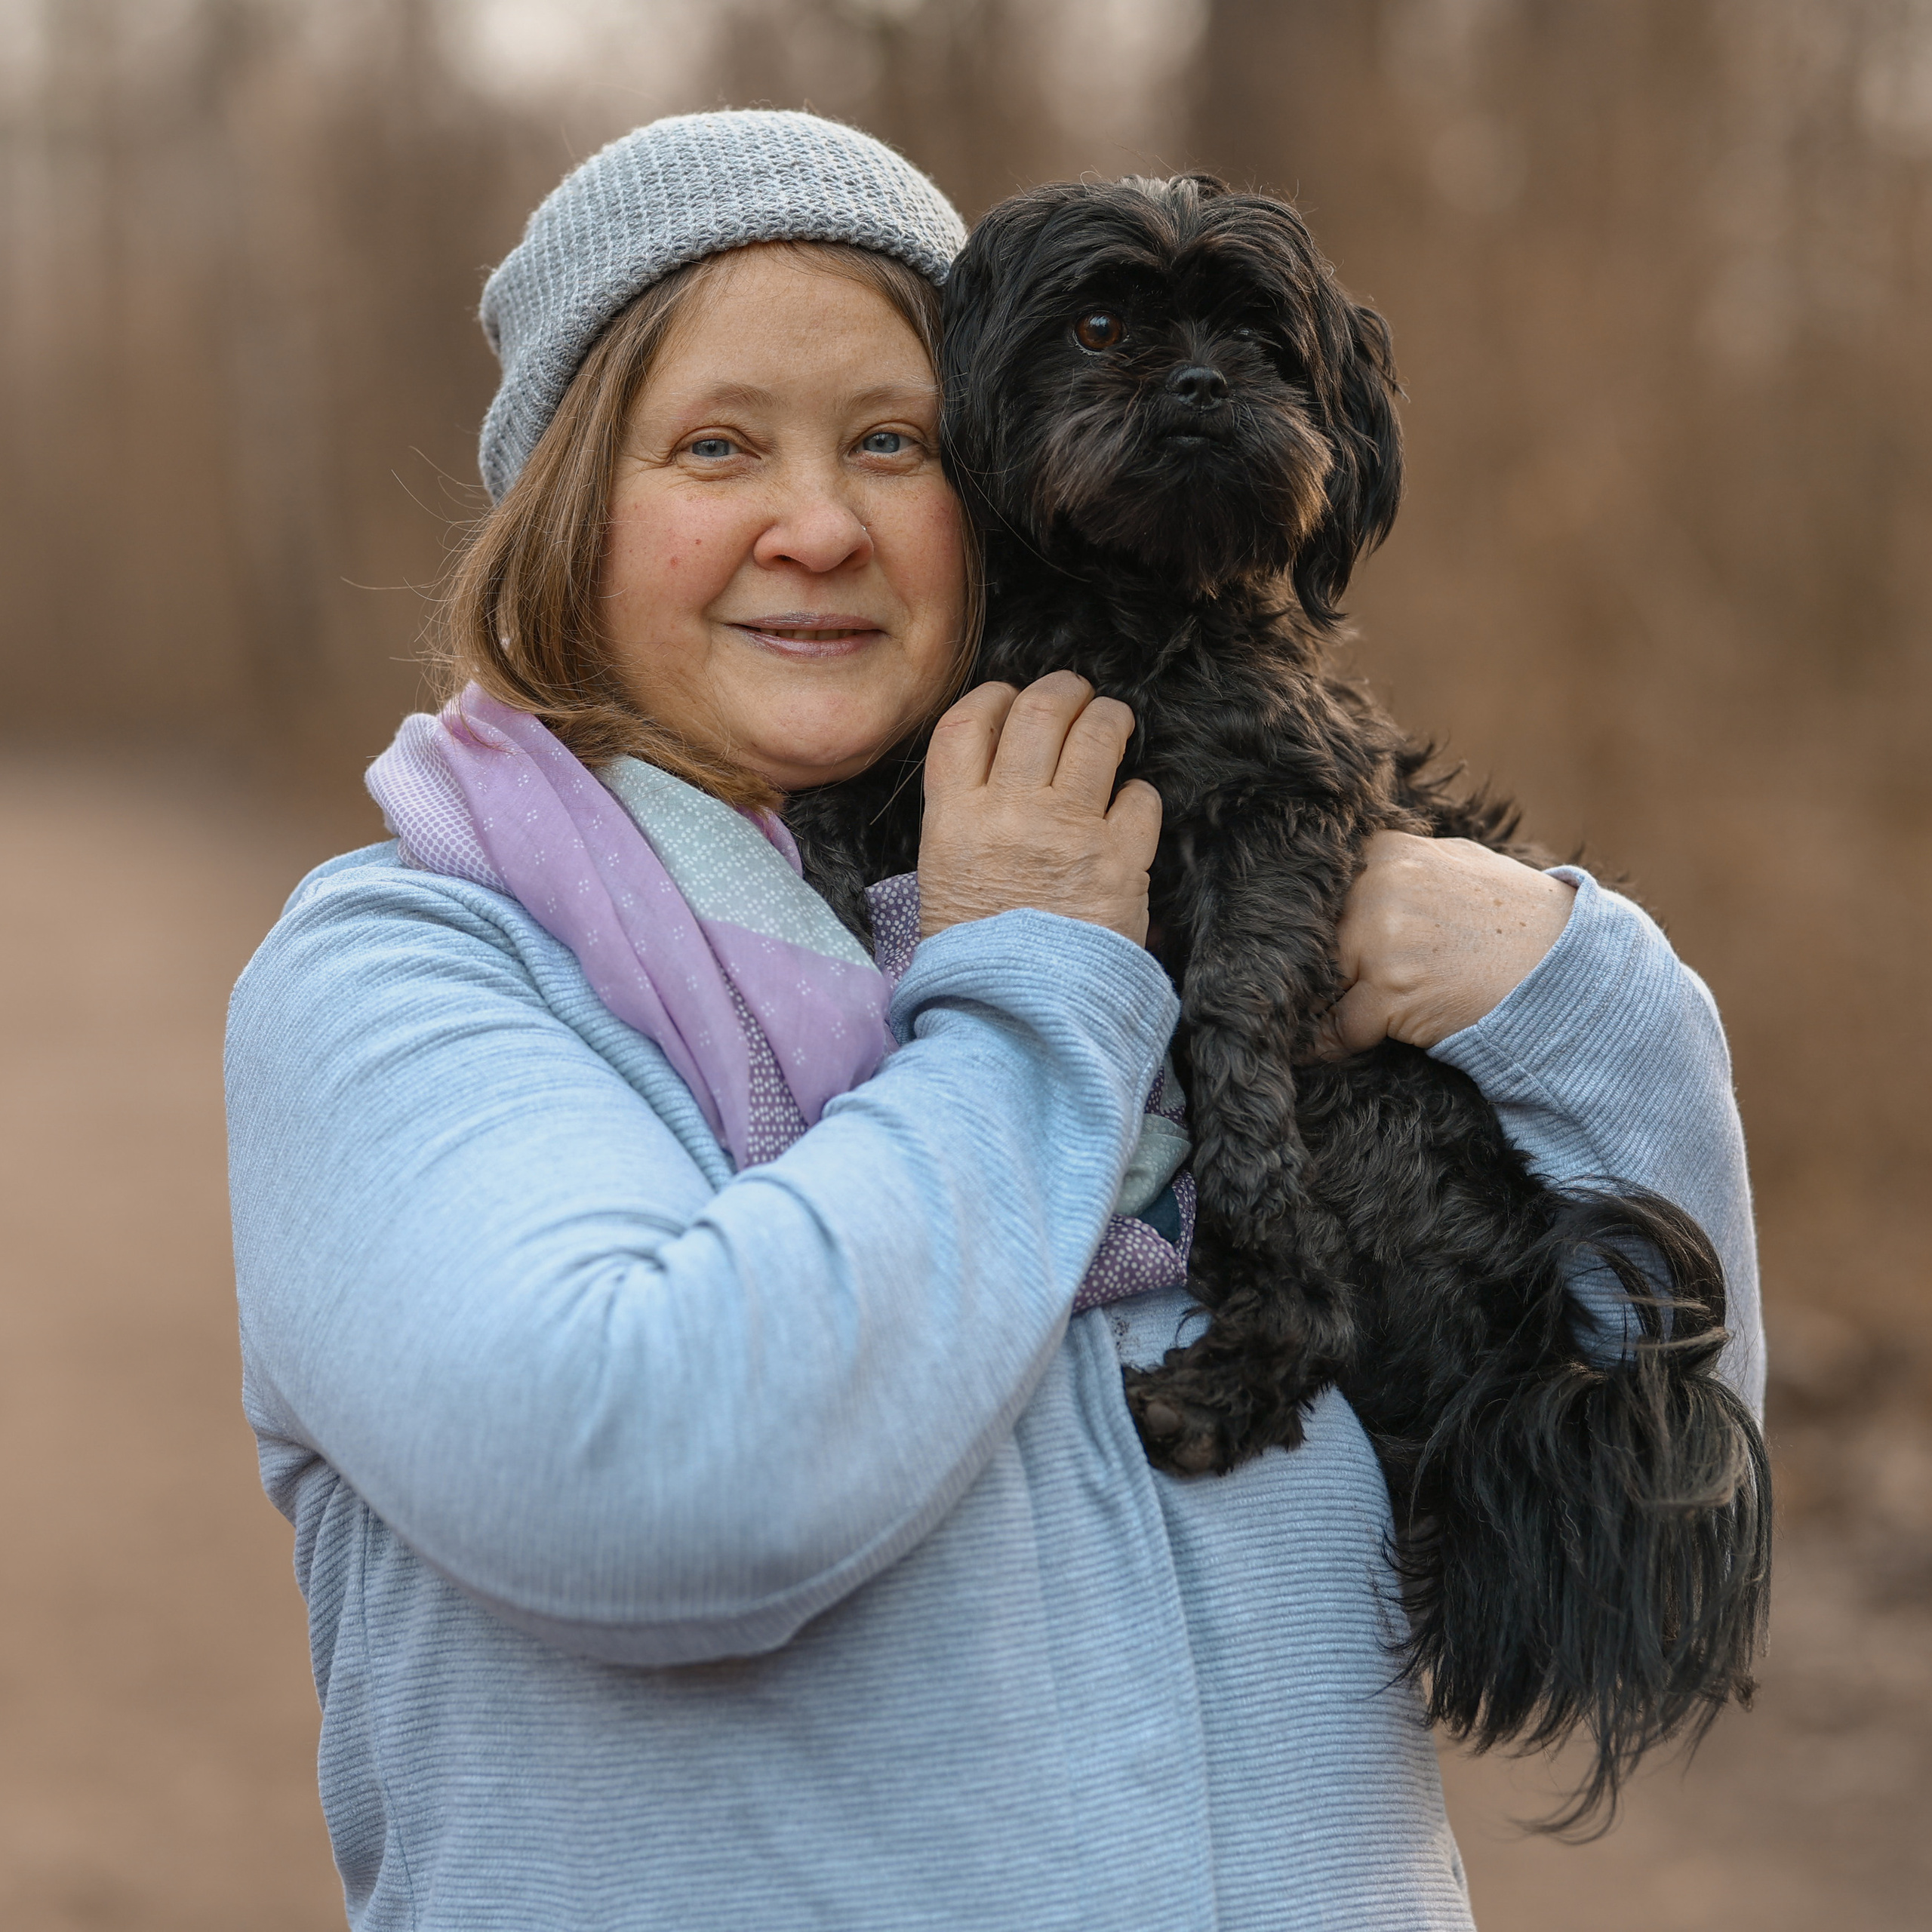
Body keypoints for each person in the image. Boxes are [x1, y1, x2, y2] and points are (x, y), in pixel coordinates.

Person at [226, 109, 1763, 1932]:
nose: (817, 525)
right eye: (716, 446)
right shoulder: (411, 973)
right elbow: (640, 1476)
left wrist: (1573, 988)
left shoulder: (1172, 858)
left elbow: (1646, 1496)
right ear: (569, 515)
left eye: (887, 442)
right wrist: (1034, 987)